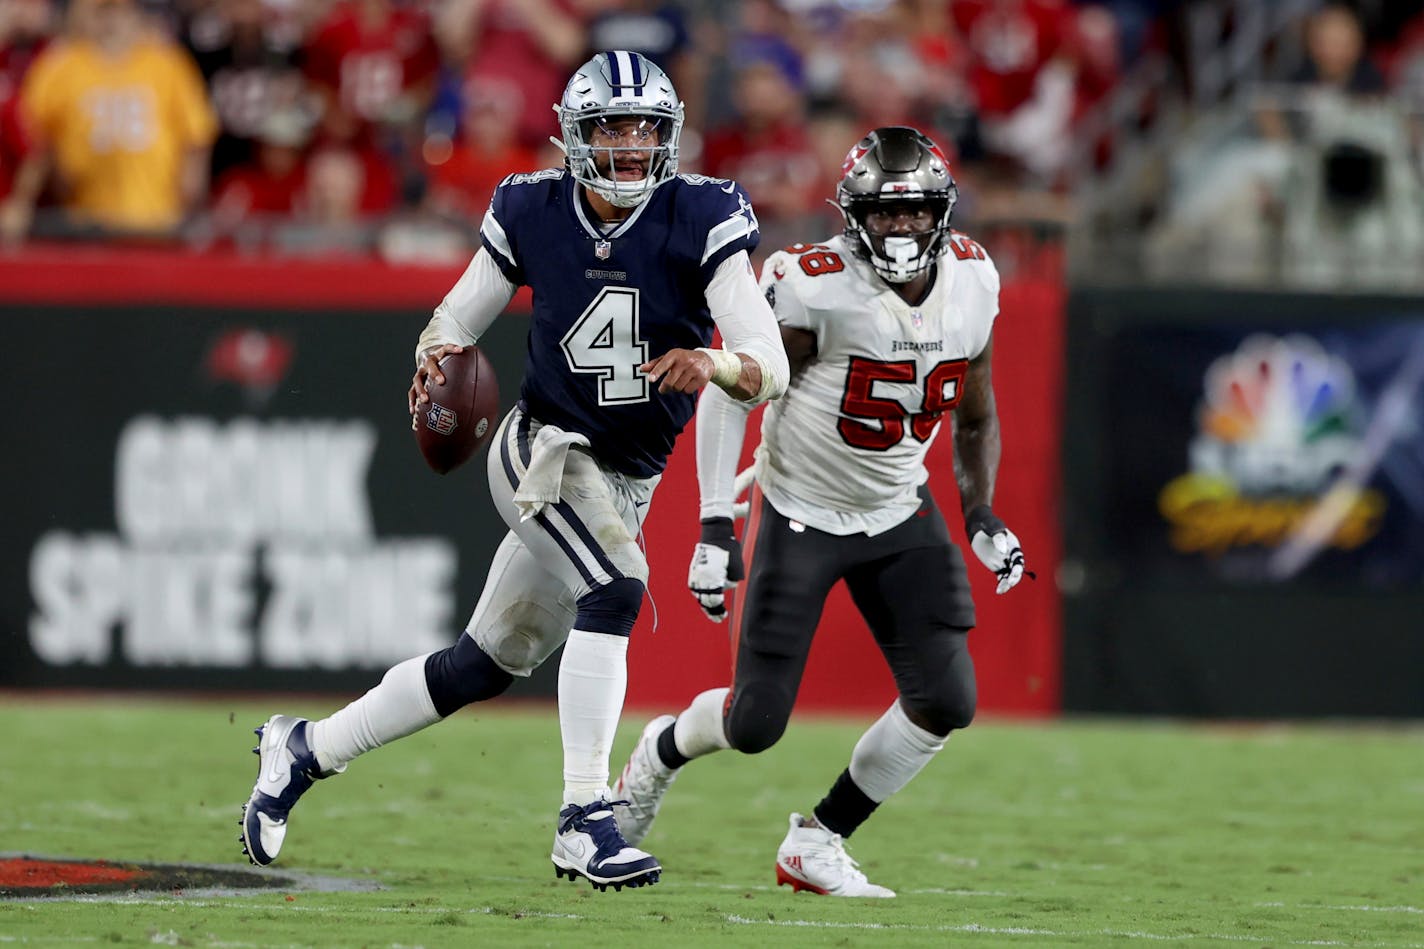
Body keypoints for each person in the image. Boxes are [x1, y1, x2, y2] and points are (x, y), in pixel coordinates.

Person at [239, 50, 789, 892]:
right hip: (543, 448)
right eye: (614, 127)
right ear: (577, 134)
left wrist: (713, 367)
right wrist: (434, 355)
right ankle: (584, 818)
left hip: (626, 480)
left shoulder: (702, 214)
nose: (634, 145)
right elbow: (456, 317)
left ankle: (305, 749)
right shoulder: (532, 207)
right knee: (618, 585)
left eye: (647, 127)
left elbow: (769, 363)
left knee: (480, 664)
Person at [611, 126, 1029, 898]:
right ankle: (661, 749)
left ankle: (820, 839)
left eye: (914, 211)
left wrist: (981, 513)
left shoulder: (974, 279)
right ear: (851, 214)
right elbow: (733, 387)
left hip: (900, 507)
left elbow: (975, 413)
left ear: (942, 212)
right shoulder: (813, 285)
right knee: (754, 723)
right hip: (802, 509)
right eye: (884, 212)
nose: (900, 228)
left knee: (946, 700)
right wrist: (713, 525)